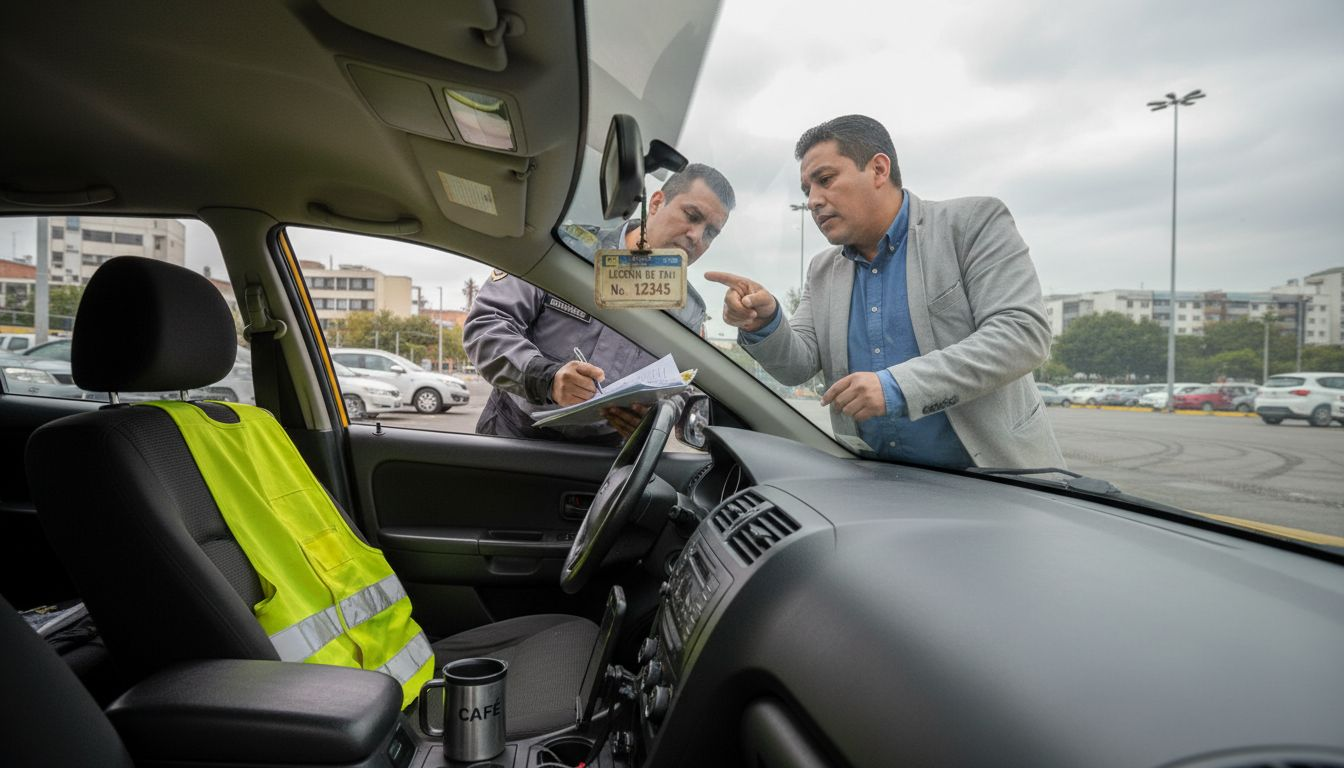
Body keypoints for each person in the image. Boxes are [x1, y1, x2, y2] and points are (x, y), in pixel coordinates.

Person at [707, 115, 1062, 468]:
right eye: (807, 190)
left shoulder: (971, 224)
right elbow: (795, 366)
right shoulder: (822, 269)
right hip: (875, 485)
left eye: (825, 180)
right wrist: (765, 321)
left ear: (878, 170)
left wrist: (897, 387)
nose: (814, 200)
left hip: (995, 485)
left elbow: (1021, 334)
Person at [464, 163, 735, 445]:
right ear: (656, 202)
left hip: (605, 459)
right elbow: (487, 324)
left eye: (711, 233)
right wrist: (547, 378)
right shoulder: (565, 249)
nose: (696, 236)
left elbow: (680, 388)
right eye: (691, 215)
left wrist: (652, 417)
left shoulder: (689, 311)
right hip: (515, 436)